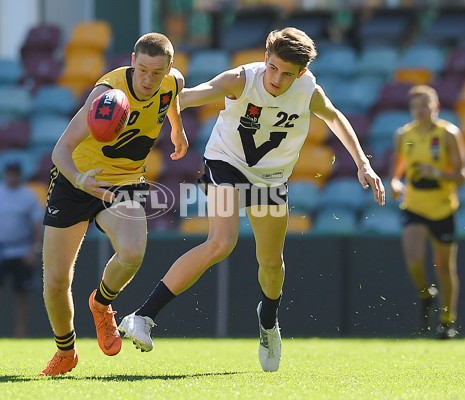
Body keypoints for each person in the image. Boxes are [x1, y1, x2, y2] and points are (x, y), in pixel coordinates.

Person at [118, 27, 385, 372]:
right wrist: (166, 117)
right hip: (225, 165)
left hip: (271, 180)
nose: (277, 78)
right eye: (273, 68)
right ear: (265, 59)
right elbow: (189, 96)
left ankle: (268, 320)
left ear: (301, 72)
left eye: (287, 73)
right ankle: (143, 316)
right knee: (221, 242)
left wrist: (363, 163)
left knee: (272, 264)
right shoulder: (242, 79)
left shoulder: (307, 89)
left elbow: (334, 117)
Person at [40, 32, 188, 376]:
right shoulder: (106, 94)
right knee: (56, 281)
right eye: (143, 70)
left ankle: (102, 304)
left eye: (157, 72)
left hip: (123, 182)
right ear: (133, 62)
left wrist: (177, 127)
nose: (149, 79)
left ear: (168, 68)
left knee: (133, 253)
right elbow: (60, 150)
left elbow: (173, 94)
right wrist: (80, 180)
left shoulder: (171, 82)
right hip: (77, 179)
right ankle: (66, 352)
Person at [389, 85, 465, 339]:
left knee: (445, 269)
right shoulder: (404, 135)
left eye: (425, 105)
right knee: (413, 259)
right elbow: (396, 172)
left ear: (436, 107)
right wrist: (394, 183)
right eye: (415, 106)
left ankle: (447, 321)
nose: (420, 111)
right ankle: (425, 293)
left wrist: (437, 173)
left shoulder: (448, 134)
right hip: (415, 206)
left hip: (443, 208)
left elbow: (462, 175)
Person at [0, 159, 44, 338]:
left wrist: (34, 249)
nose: (12, 176)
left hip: (21, 249)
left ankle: (21, 331)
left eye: (15, 173)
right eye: (9, 172)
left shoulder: (28, 196)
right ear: (5, 174)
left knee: (21, 293)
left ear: (20, 175)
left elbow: (37, 224)